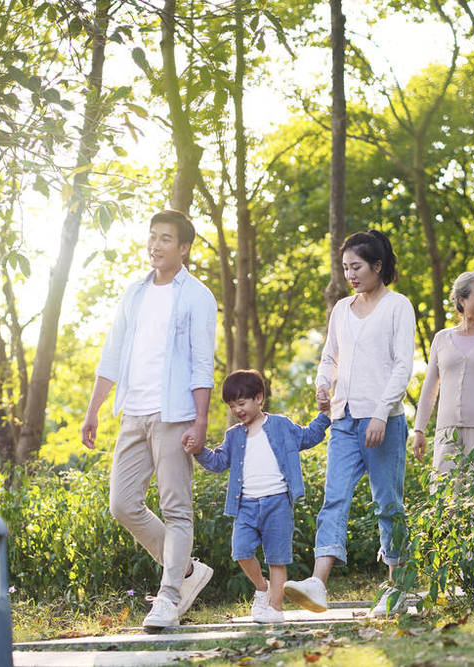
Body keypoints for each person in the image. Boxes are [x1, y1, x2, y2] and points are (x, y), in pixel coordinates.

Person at [81, 209, 218, 629]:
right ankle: (188, 571)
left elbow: (201, 364)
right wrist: (94, 408)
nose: (155, 245)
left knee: (176, 507)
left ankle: (169, 596)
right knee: (122, 504)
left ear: (184, 248)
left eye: (165, 239)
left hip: (174, 412)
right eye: (152, 236)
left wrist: (199, 422)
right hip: (133, 412)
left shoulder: (197, 295)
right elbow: (112, 354)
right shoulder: (134, 293)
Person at [283, 230, 416, 618]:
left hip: (383, 423)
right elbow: (329, 357)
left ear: (377, 266)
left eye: (356, 267)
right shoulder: (341, 309)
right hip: (342, 420)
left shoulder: (398, 307)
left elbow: (402, 366)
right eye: (345, 268)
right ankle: (318, 585)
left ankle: (397, 588)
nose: (350, 275)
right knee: (334, 499)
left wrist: (380, 412)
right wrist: (323, 385)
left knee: (388, 503)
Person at [185, 369, 330, 623]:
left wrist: (325, 416)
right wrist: (199, 450)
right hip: (246, 505)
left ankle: (275, 610)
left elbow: (308, 436)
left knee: (277, 558)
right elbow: (218, 462)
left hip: (278, 502)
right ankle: (261, 588)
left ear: (259, 398)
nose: (237, 410)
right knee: (241, 550)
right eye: (232, 406)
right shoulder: (233, 436)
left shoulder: (281, 425)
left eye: (241, 403)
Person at [412, 272, 474, 475]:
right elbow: (430, 387)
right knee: (443, 494)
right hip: (447, 430)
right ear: (461, 300)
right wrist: (419, 429)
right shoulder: (441, 339)